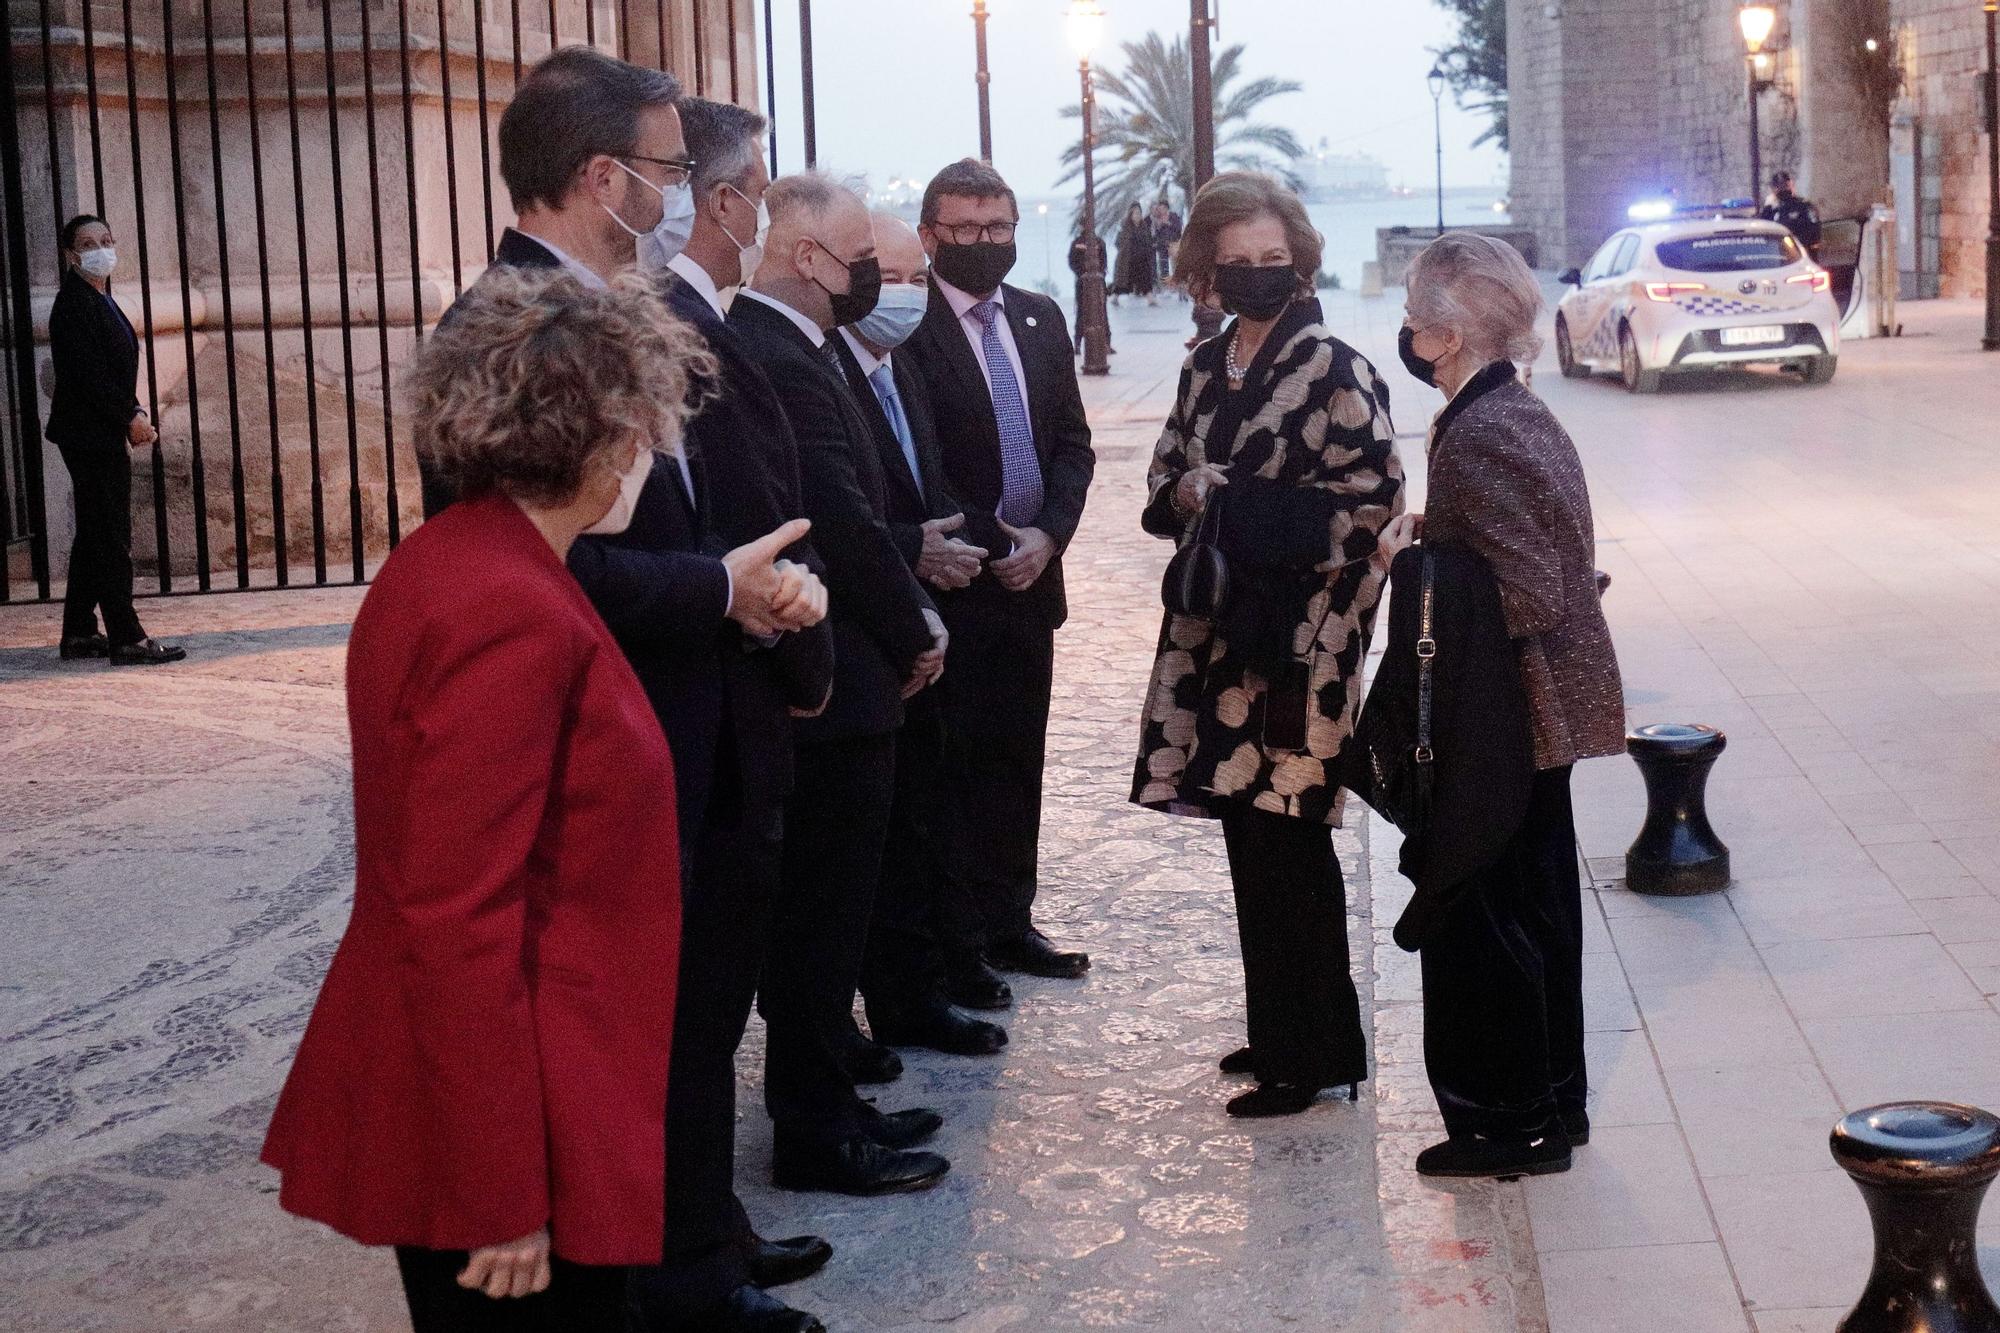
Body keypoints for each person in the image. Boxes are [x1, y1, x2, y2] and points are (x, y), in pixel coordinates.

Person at [260, 268, 695, 1329]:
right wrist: (501, 1193)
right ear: (611, 432)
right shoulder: (507, 606)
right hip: (515, 1112)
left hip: (519, 1082)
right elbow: (455, 915)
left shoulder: (464, 561)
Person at [563, 90, 833, 1333]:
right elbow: (564, 563)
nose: (693, 200)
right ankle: (675, 1264)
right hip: (647, 716)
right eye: (673, 171)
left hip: (699, 710)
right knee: (668, 1020)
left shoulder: (630, 310)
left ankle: (699, 1236)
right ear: (603, 174)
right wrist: (727, 590)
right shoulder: (538, 325)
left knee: (702, 1010)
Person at [1130, 171, 1405, 1119]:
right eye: (1234, 262)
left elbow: (1374, 505)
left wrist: (1241, 503)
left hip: (1301, 650)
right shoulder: (1206, 367)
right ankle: (1284, 1023)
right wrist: (1194, 493)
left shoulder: (1335, 368)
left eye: (1271, 261)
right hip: (1216, 641)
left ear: (1299, 261)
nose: (1253, 275)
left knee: (1291, 843)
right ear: (1205, 268)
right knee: (1249, 837)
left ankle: (1313, 1053)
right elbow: (1164, 480)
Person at [1378, 231, 1625, 1179]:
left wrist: (1411, 564)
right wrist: (1441, 534)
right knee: (1539, 906)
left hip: (1506, 718)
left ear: (1442, 337)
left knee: (1492, 914)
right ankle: (1554, 1104)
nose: (1406, 331)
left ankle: (1509, 1122)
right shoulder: (1512, 413)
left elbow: (1528, 594)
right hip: (1532, 712)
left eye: (1412, 316)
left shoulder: (1479, 434)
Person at [730, 171, 954, 1198]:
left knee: (835, 914)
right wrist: (913, 627)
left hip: (853, 670)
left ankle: (832, 1095)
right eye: (861, 254)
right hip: (838, 679)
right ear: (808, 257)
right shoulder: (775, 350)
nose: (873, 274)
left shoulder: (807, 346)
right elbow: (840, 520)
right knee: (819, 923)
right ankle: (816, 1129)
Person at [905, 158, 1097, 1003]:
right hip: (958, 582)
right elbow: (917, 464)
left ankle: (1011, 921)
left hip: (1033, 581)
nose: (986, 245)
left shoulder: (1040, 316)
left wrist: (1049, 536)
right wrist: (996, 539)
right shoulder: (907, 328)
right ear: (930, 236)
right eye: (967, 230)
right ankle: (958, 942)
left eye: (1000, 229)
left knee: (1019, 758)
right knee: (952, 768)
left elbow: (1071, 444)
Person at [830, 210, 1009, 1061]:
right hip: (870, 633)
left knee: (921, 823)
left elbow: (925, 485)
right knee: (870, 848)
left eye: (908, 279)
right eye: (883, 274)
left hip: (924, 621)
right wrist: (915, 566)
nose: (898, 295)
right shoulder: (829, 369)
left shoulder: (894, 369)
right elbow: (840, 516)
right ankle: (877, 1007)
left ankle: (922, 987)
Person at [44, 215, 184, 666]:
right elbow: (89, 377)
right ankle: (127, 637)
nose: (100, 249)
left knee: (94, 531)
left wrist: (133, 409)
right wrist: (131, 416)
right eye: (88, 243)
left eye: (106, 239)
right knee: (110, 535)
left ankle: (80, 631)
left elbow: (115, 368)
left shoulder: (99, 298)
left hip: (98, 429)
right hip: (88, 435)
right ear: (71, 254)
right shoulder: (73, 306)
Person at [1065, 226, 1112, 356]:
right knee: (1083, 312)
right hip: (1084, 282)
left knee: (1101, 311)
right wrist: (1082, 273)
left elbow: (1104, 261)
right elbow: (1072, 261)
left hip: (1096, 282)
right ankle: (1079, 343)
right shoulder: (1079, 243)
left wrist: (1099, 273)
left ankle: (1105, 343)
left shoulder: (1098, 242)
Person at [1759, 170, 1822, 256]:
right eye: (1778, 187)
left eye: (1785, 185)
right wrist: (1767, 208)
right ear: (1773, 189)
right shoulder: (1771, 208)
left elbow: (1814, 230)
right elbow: (1763, 229)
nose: (1782, 189)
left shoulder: (1803, 205)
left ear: (1791, 185)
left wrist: (1800, 246)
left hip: (1802, 253)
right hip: (1777, 255)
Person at [1113, 201, 1156, 304]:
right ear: (1131, 215)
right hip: (1128, 260)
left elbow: (1148, 241)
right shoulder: (1125, 228)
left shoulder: (1144, 227)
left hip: (1142, 259)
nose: (1138, 216)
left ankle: (1150, 298)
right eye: (1136, 213)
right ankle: (1115, 297)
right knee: (1123, 281)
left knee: (1145, 279)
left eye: (1139, 213)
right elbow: (1118, 242)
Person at [1150, 198, 1183, 290]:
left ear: (1167, 208)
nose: (1162, 210)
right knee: (1163, 265)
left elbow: (1179, 228)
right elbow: (1155, 234)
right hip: (1162, 244)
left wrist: (1168, 223)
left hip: (1173, 243)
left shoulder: (1173, 216)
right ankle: (1166, 286)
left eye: (1163, 208)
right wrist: (1158, 226)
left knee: (1175, 264)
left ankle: (1178, 284)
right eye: (1160, 208)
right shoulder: (1157, 219)